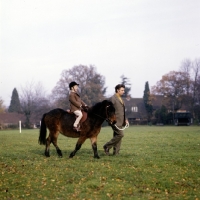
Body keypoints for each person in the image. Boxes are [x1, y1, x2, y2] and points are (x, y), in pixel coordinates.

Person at [103, 84, 129, 155]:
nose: (123, 91)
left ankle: (116, 153)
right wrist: (109, 119)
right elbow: (108, 110)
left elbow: (122, 111)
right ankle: (106, 146)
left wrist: (125, 119)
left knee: (117, 136)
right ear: (117, 90)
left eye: (124, 90)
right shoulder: (112, 99)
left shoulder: (120, 98)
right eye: (122, 90)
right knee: (120, 135)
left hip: (121, 121)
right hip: (115, 121)